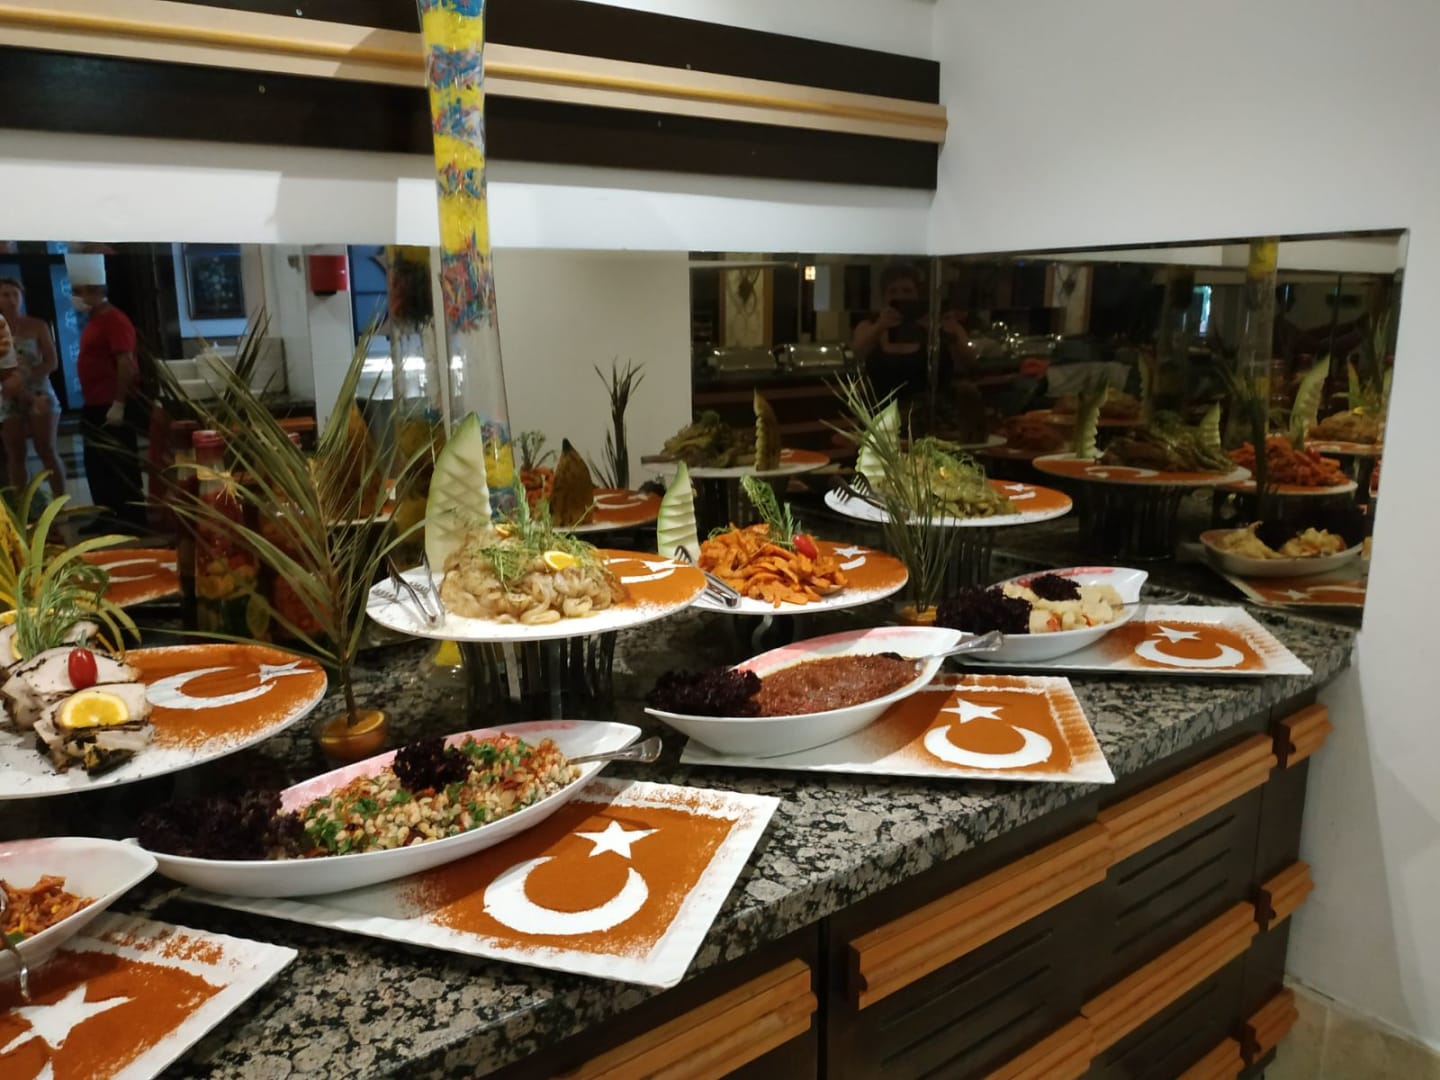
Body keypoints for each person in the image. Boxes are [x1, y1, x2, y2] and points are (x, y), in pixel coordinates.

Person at [67, 253, 144, 530]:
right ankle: (107, 515)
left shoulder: (115, 320)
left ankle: (129, 519)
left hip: (110, 404)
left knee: (118, 464)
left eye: (78, 291)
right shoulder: (94, 320)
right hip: (95, 402)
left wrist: (119, 404)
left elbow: (126, 363)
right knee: (98, 465)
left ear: (95, 290)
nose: (75, 297)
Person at [852, 264, 969, 403]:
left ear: (918, 295)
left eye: (907, 291)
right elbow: (858, 355)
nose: (900, 296)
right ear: (884, 297)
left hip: (931, 410)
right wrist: (879, 327)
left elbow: (968, 364)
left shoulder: (941, 323)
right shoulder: (870, 325)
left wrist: (942, 333)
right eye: (892, 291)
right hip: (882, 412)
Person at [0, 277, 65, 499]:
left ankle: (60, 503)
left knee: (46, 449)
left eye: (15, 295)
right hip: (7, 393)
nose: (11, 300)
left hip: (39, 390)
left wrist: (26, 375)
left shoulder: (37, 325)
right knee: (15, 453)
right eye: (5, 295)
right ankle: (23, 505)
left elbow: (52, 362)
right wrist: (13, 384)